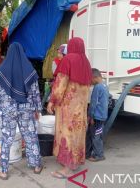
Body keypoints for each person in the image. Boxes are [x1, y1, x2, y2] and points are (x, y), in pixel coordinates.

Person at [0, 42, 43, 180]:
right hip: (26, 109)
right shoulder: (29, 70)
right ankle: (37, 165)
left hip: (7, 111)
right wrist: (37, 109)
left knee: (6, 139)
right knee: (30, 136)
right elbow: (35, 92)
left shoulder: (1, 72)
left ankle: (3, 170)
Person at [47, 37, 92, 179]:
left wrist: (52, 101)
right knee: (77, 135)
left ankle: (67, 169)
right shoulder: (86, 62)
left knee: (67, 134)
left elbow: (60, 84)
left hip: (68, 108)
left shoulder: (68, 60)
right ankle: (75, 162)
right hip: (81, 108)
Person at [86, 68, 109, 162]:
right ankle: (87, 153)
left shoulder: (97, 87)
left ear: (94, 77)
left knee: (96, 136)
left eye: (90, 79)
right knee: (92, 135)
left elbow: (93, 103)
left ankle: (99, 155)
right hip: (102, 115)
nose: (89, 81)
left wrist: (90, 116)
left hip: (96, 117)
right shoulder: (105, 85)